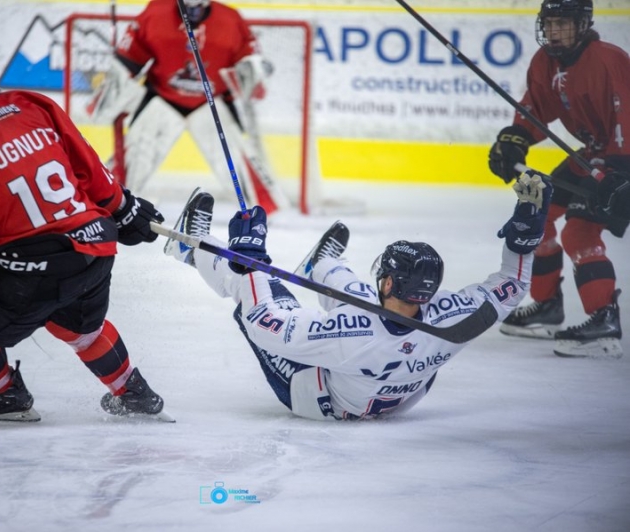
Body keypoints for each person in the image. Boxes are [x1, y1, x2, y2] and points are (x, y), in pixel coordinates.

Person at [0, 34, 168, 422]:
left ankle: (6, 395)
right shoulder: (32, 104)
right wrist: (124, 209)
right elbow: (89, 169)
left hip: (37, 267)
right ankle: (135, 395)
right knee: (77, 325)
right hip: (97, 248)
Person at [162, 172, 550, 421]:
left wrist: (250, 259)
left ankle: (192, 247)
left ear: (388, 281)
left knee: (268, 290)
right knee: (361, 300)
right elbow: (511, 286)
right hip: (399, 394)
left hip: (316, 394)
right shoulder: (455, 317)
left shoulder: (349, 334)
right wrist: (523, 242)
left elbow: (264, 324)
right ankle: (320, 266)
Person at [487, 0, 629, 359]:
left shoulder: (607, 60)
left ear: (583, 25)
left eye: (563, 24)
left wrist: (620, 173)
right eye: (549, 24)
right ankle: (548, 306)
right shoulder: (545, 62)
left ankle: (604, 320)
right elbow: (535, 108)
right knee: (538, 211)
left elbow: (625, 118)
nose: (554, 31)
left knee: (579, 232)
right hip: (594, 153)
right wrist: (514, 141)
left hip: (620, 157)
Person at [89, 0, 287, 213]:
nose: (192, 12)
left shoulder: (230, 20)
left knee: (237, 160)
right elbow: (129, 60)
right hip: (163, 98)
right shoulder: (156, 12)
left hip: (211, 103)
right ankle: (107, 203)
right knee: (136, 155)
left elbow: (249, 65)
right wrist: (112, 91)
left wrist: (252, 72)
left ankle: (263, 211)